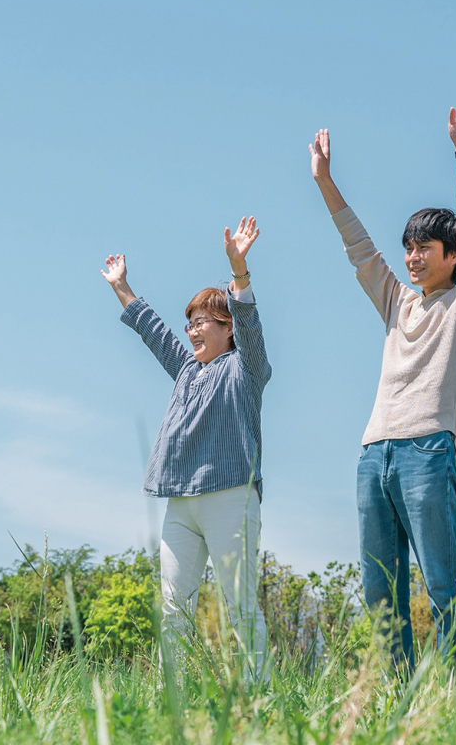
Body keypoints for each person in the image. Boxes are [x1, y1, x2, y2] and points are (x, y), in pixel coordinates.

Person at [308, 91, 456, 666]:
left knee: (440, 582)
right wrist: (324, 182)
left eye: (424, 248)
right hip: (374, 454)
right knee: (379, 593)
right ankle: (397, 695)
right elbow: (359, 248)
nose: (412, 258)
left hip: (428, 452)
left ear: (451, 255)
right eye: (408, 248)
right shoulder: (397, 304)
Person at [102, 216, 270, 680]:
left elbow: (251, 326)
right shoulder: (187, 370)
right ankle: (169, 705)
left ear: (227, 328)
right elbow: (154, 331)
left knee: (240, 606)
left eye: (202, 323)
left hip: (230, 496)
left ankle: (261, 699)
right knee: (174, 609)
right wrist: (123, 286)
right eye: (190, 324)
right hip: (182, 501)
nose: (192, 331)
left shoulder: (244, 368)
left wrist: (239, 273)